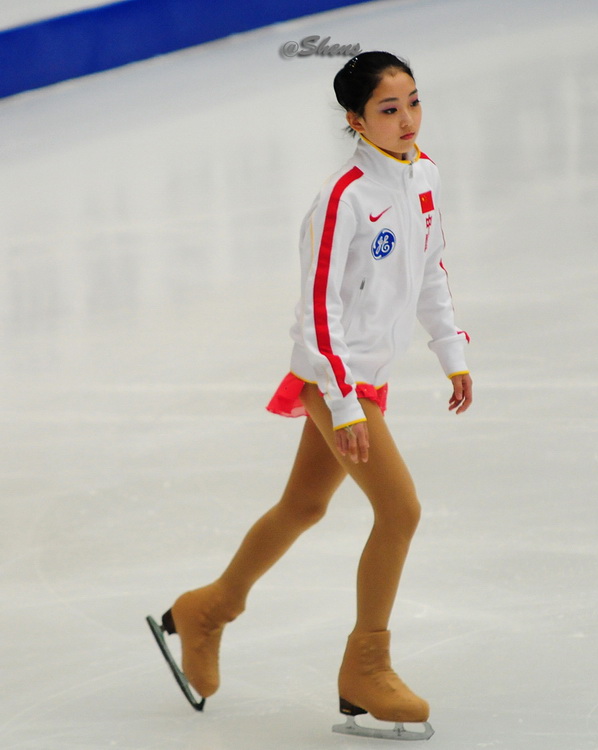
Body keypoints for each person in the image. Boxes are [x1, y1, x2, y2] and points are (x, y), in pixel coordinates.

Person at [148, 51, 472, 736]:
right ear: (355, 121)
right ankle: (365, 667)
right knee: (400, 510)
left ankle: (206, 610)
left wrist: (451, 354)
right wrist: (345, 402)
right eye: (388, 109)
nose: (407, 120)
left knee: (302, 506)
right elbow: (318, 310)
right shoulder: (344, 198)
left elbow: (431, 271)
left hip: (368, 379)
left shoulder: (423, 177)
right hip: (333, 379)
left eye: (413, 101)